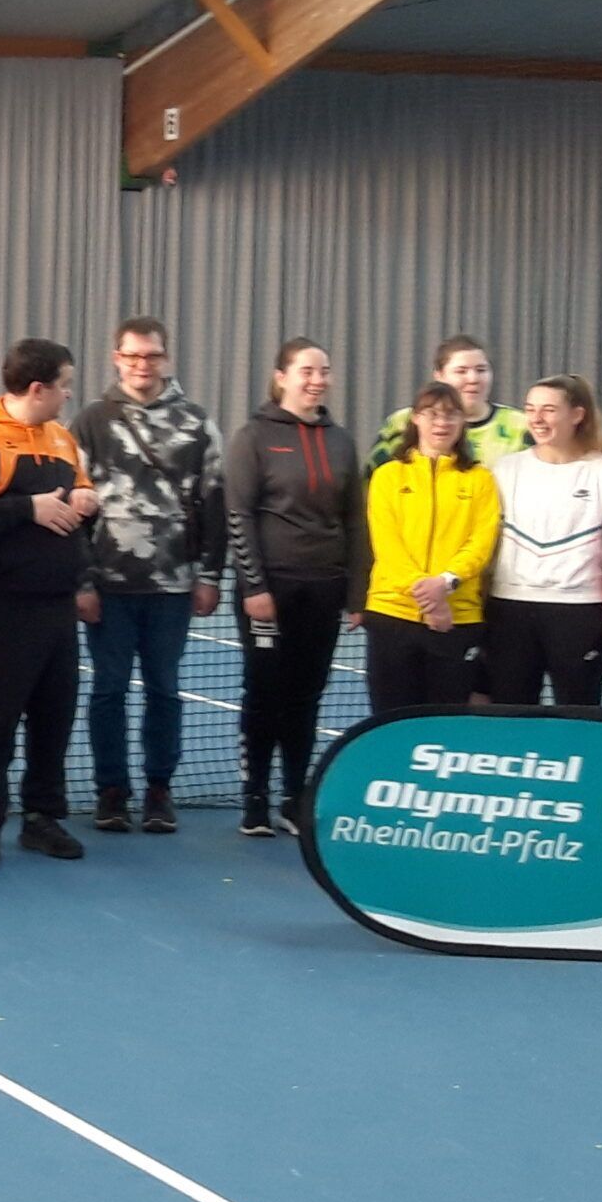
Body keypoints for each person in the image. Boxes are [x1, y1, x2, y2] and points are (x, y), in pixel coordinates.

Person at [0, 338, 97, 868]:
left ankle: (41, 818)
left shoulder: (62, 440)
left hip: (57, 605)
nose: (68, 395)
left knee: (55, 716)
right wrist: (25, 509)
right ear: (38, 388)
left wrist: (86, 502)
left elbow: (79, 493)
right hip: (1, 604)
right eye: (64, 385)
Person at [73, 318, 226, 835]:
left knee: (165, 690)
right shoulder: (90, 421)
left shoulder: (199, 424)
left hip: (173, 587)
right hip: (108, 587)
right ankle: (111, 792)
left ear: (166, 359)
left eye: (152, 356)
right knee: (108, 693)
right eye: (133, 356)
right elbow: (75, 508)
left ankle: (160, 791)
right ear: (116, 357)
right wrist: (83, 582)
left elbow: (214, 503)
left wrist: (210, 575)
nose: (142, 365)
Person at [225, 338, 368, 838]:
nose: (317, 380)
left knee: (307, 695)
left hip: (324, 588)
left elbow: (355, 520)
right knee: (264, 693)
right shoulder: (254, 437)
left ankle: (293, 795)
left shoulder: (343, 441)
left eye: (324, 371)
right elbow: (238, 515)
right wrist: (254, 585)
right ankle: (255, 797)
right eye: (307, 371)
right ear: (281, 376)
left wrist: (356, 594)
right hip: (270, 591)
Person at [488, 376, 602, 706]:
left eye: (549, 410)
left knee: (580, 718)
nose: (537, 419)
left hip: (580, 614)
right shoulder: (505, 469)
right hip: (508, 612)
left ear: (577, 415)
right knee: (508, 715)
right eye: (530, 409)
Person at [363, 383, 500, 718]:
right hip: (392, 616)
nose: (442, 423)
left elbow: (481, 543)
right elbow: (388, 547)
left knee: (444, 724)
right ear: (416, 420)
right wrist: (430, 599)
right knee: (390, 721)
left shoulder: (481, 479)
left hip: (458, 620)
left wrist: (446, 584)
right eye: (433, 414)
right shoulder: (388, 476)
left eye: (452, 415)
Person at [371, 335, 527, 469]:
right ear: (439, 376)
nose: (473, 379)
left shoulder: (520, 425)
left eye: (481, 370)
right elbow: (371, 485)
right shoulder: (401, 423)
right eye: (461, 371)